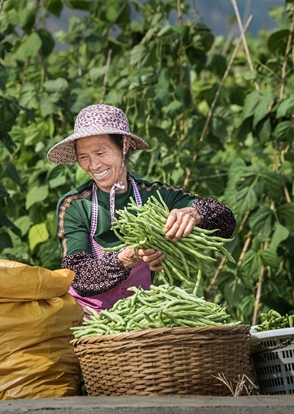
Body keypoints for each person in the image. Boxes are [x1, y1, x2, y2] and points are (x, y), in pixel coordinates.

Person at [47, 104, 236, 314]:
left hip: (141, 315)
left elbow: (225, 222)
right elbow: (78, 276)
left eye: (100, 152)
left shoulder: (154, 196)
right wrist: (130, 255)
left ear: (124, 145)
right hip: (87, 320)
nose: (93, 165)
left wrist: (196, 213)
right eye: (83, 157)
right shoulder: (75, 205)